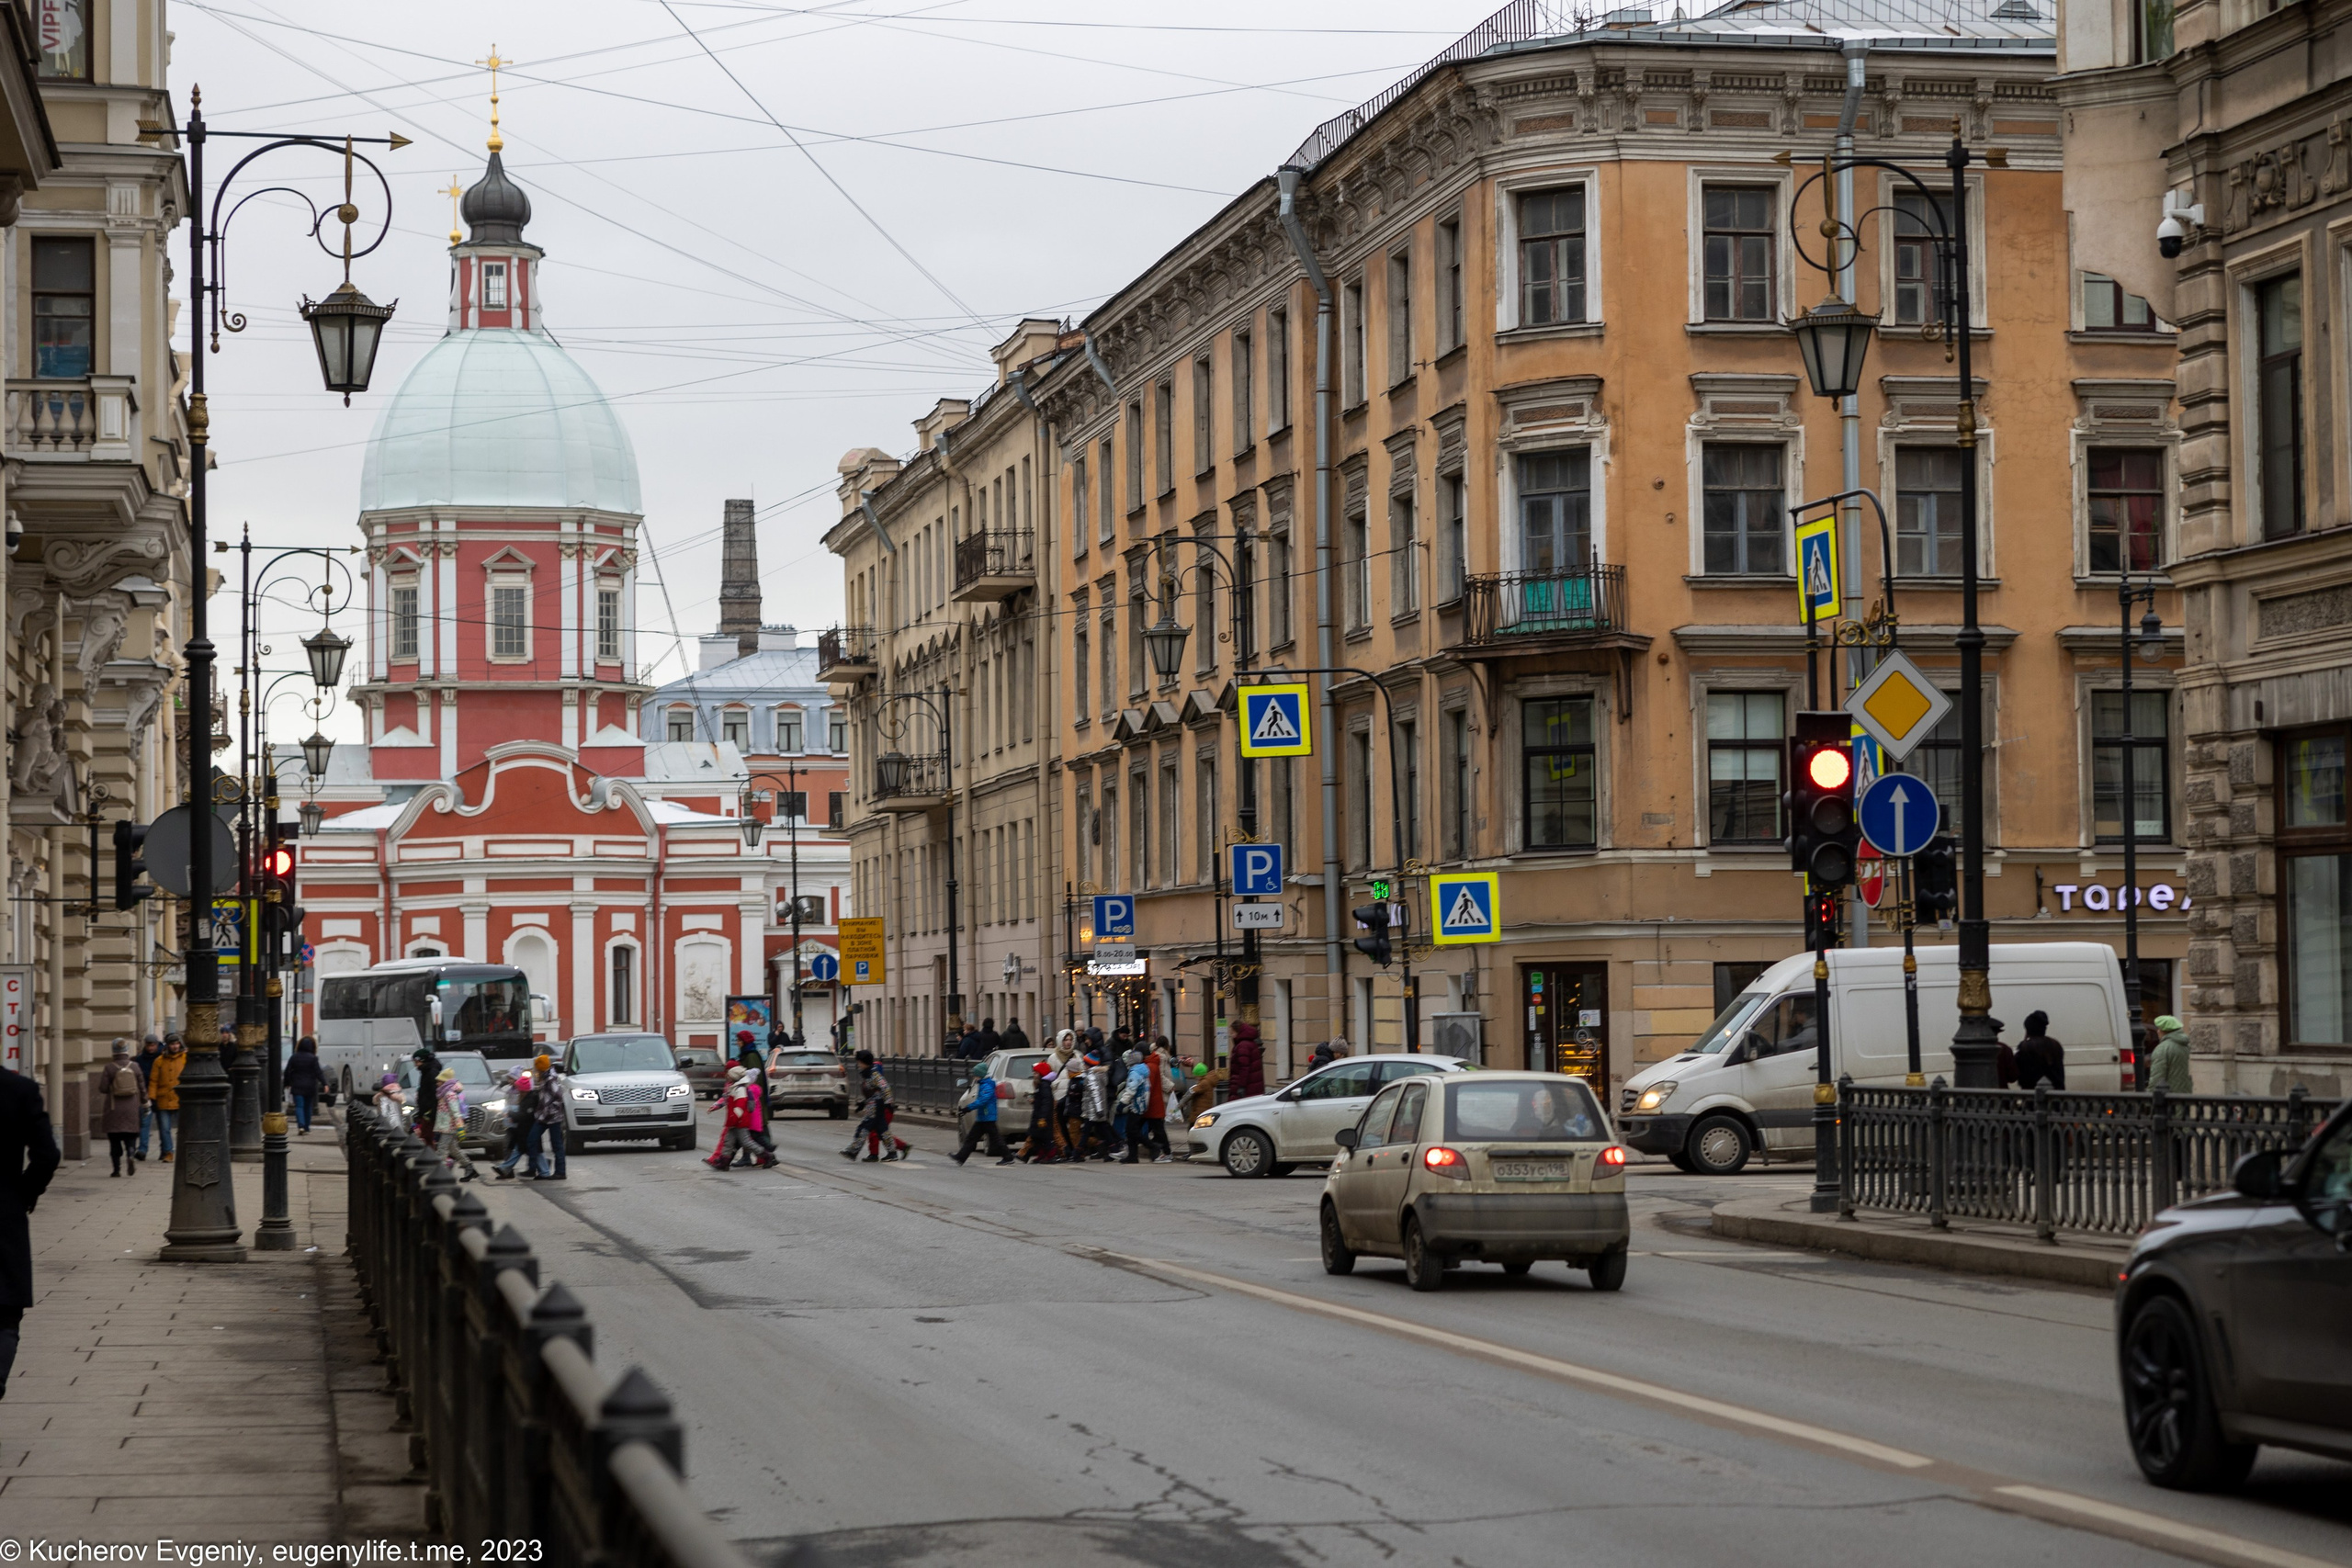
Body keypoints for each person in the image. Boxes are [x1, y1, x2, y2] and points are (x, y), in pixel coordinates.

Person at [1, 1055, 62, 1402]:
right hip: (4, 1216)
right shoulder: (19, 1090)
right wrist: (22, 1193)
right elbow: (47, 1155)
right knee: (5, 1312)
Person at [97, 1038, 143, 1177]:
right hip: (131, 1108)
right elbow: (142, 1088)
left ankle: (116, 1170)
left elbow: (103, 1088)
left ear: (114, 1051)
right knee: (130, 1136)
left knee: (114, 1140)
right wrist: (145, 1103)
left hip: (114, 1109)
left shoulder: (109, 1067)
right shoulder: (135, 1066)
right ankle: (130, 1153)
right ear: (126, 1050)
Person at [952, 1062, 1012, 1165]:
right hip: (984, 1116)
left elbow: (982, 1101)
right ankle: (961, 1157)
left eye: (976, 1075)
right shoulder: (984, 1084)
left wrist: (967, 1108)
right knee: (973, 1138)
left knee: (995, 1138)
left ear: (980, 1075)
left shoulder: (987, 1086)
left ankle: (1008, 1157)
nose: (974, 1077)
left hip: (987, 1117)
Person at [528, 1053, 568, 1180]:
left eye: (537, 1068)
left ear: (541, 1068)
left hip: (552, 1117)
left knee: (556, 1145)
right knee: (532, 1140)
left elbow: (558, 1097)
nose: (535, 1071)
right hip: (544, 1117)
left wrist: (547, 1112)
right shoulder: (546, 1077)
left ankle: (560, 1172)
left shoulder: (550, 1079)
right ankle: (543, 1168)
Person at [147, 1034, 186, 1163]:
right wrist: (151, 1097)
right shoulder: (159, 1061)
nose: (175, 1046)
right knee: (164, 1129)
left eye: (177, 1044)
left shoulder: (186, 1058)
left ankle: (183, 1151)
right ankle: (168, 1152)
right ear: (168, 1045)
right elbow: (154, 1081)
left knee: (183, 1128)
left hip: (181, 1099)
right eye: (172, 1044)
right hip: (163, 1098)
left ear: (180, 1044)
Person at [434, 1068, 478, 1180]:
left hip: (450, 1126)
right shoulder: (444, 1093)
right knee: (453, 1149)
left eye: (439, 1081)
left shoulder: (449, 1094)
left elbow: (455, 1111)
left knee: (442, 1149)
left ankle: (442, 1174)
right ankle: (469, 1168)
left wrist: (459, 1126)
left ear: (445, 1082)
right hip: (446, 1125)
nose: (437, 1083)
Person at [491, 1072, 537, 1179]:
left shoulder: (527, 1095)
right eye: (509, 1079)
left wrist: (512, 1114)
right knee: (510, 1146)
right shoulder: (509, 1091)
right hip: (512, 1124)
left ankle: (506, 1169)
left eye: (512, 1079)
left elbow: (524, 1113)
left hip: (520, 1125)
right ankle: (507, 1170)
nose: (510, 1081)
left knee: (520, 1148)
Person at [2014, 1010, 2066, 1090]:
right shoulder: (2055, 1045)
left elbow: (2018, 1072)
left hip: (2032, 1095)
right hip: (2056, 1094)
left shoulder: (2026, 1047)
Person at [283, 1038, 327, 1134]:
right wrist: (325, 1084)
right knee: (308, 1107)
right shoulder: (313, 1058)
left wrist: (287, 1083)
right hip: (310, 1086)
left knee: (299, 1106)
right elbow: (318, 1072)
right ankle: (306, 1127)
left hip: (297, 1085)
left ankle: (301, 1126)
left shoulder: (294, 1057)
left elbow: (287, 1071)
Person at [131, 1034, 163, 1162]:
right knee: (144, 1124)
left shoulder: (162, 1058)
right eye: (149, 1045)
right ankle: (143, 1150)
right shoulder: (139, 1060)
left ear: (156, 1045)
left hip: (160, 1095)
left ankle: (165, 1150)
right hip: (145, 1096)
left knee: (163, 1126)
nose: (151, 1047)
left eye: (153, 1045)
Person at [2149, 1015, 2194, 1093]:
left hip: (2169, 1097)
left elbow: (2157, 1077)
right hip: (2186, 1095)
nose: (2157, 1031)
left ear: (2162, 1031)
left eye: (2159, 1029)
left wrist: (2149, 1099)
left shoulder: (2163, 1049)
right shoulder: (2187, 1045)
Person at [1227, 1021, 1264, 1101]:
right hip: (1252, 1087)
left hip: (1245, 1088)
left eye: (1232, 1032)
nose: (1231, 1035)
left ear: (1238, 1032)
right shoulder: (1250, 1043)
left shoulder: (1242, 1046)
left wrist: (1241, 1086)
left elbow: (1244, 1068)